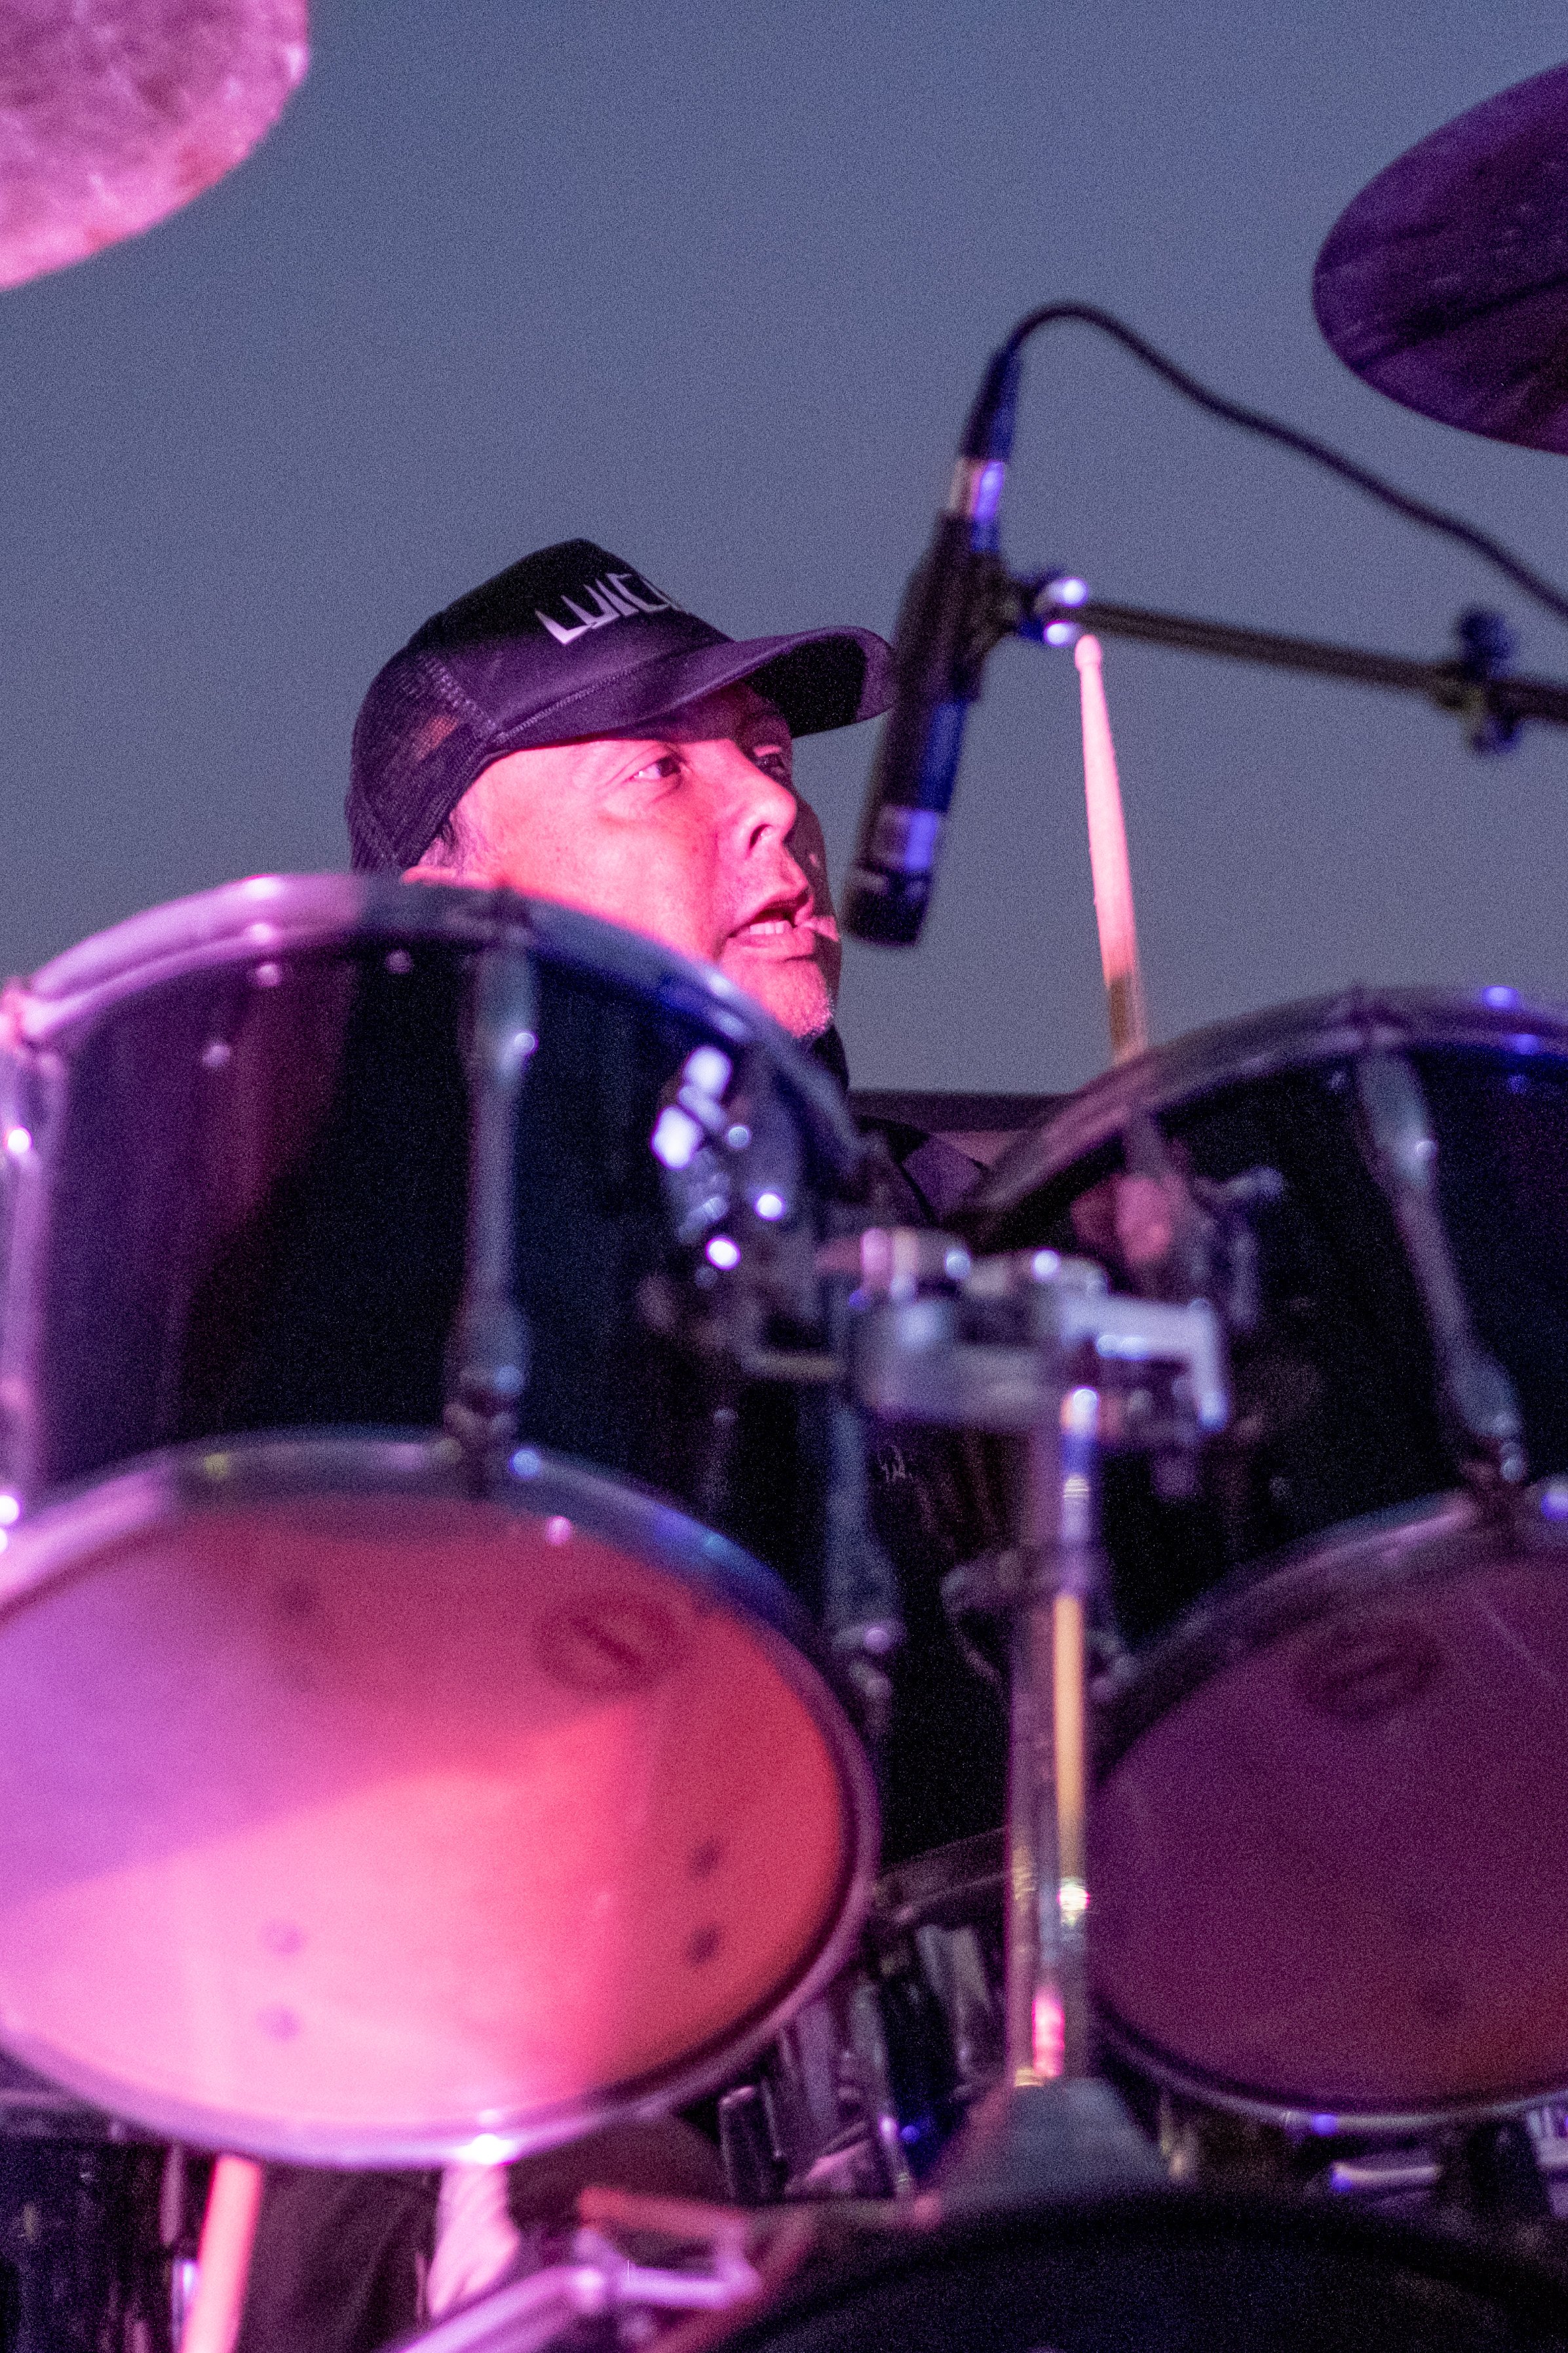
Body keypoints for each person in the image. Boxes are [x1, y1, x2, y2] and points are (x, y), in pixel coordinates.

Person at [234, 538, 998, 2353]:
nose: (772, 816)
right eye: (661, 768)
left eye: (768, 757)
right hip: (466, 2139)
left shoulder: (964, 1236)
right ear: (447, 891)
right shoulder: (309, 1277)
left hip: (969, 2095)